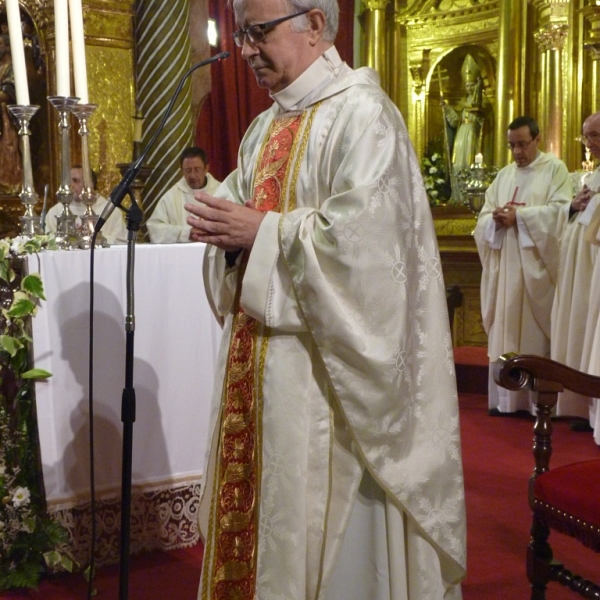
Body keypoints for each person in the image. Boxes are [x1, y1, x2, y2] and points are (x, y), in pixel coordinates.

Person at [186, 1, 466, 599]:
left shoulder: (365, 116)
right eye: (241, 34)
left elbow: (367, 257)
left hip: (329, 395)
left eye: (258, 33)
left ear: (314, 24)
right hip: (258, 379)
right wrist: (222, 237)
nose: (246, 49)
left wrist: (259, 233)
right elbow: (242, 226)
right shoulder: (263, 128)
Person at [474, 116, 571, 415]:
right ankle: (506, 402)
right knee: (507, 332)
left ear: (537, 140)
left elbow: (562, 213)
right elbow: (482, 218)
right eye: (512, 145)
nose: (517, 152)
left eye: (522, 144)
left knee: (533, 334)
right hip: (505, 270)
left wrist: (521, 218)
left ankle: (537, 403)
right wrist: (494, 221)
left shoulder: (555, 169)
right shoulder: (503, 176)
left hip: (535, 270)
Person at [551, 112, 600, 432]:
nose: (589, 144)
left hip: (595, 271)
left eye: (594, 136)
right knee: (581, 330)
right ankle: (584, 405)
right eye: (586, 137)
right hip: (581, 274)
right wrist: (576, 205)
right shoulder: (592, 177)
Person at [146, 146, 221, 243]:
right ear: (182, 170)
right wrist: (186, 233)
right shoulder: (171, 197)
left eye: (197, 169)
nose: (192, 175)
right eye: (188, 170)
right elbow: (155, 229)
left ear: (206, 168)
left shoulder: (221, 191)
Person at [45, 165, 128, 245]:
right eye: (68, 182)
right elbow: (48, 241)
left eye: (76, 181)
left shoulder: (110, 211)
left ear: (90, 184)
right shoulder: (56, 212)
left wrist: (94, 238)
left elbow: (120, 241)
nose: (71, 186)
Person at [442, 54, 493, 176]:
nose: (469, 88)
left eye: (472, 85)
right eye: (467, 85)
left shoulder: (484, 101)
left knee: (468, 163)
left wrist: (480, 116)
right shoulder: (462, 102)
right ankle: (458, 194)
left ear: (477, 84)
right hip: (461, 134)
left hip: (473, 133)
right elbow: (455, 122)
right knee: (458, 164)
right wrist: (447, 108)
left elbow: (486, 120)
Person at [0, 34, 21, 195]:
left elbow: (10, 91)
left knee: (8, 147)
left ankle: (9, 183)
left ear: (7, 47)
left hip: (7, 116)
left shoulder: (14, 67)